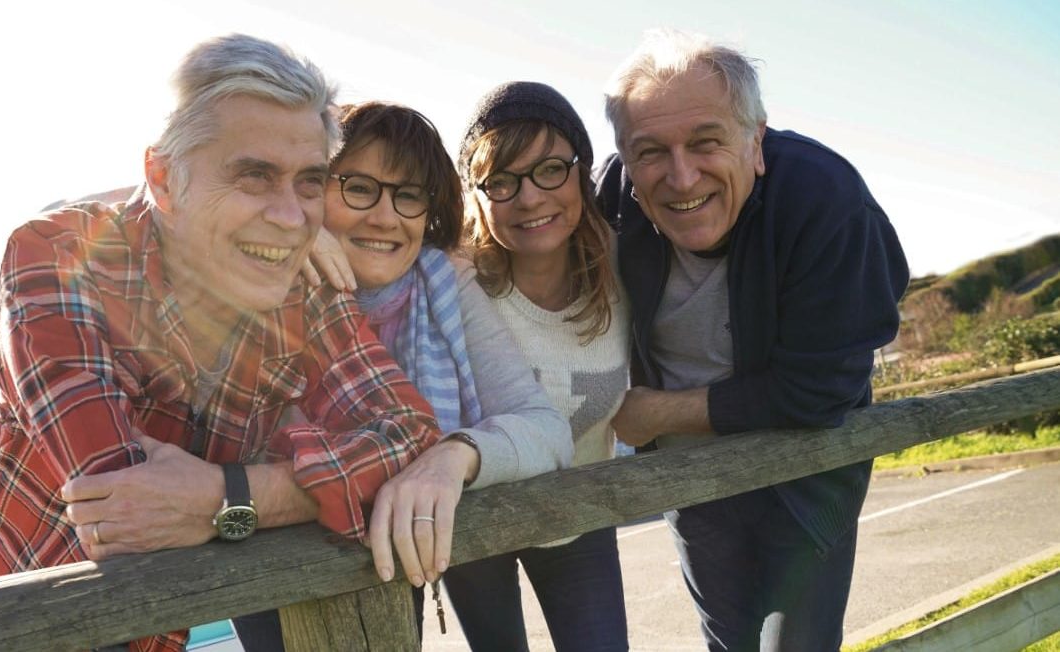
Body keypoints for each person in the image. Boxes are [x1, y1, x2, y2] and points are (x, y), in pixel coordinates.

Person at [0, 34, 442, 652]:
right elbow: (121, 502)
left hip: (157, 617)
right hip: (11, 564)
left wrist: (231, 496)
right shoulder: (57, 253)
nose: (291, 218)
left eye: (309, 183)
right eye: (254, 177)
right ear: (164, 179)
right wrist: (312, 482)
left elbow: (408, 431)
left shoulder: (302, 284)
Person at [595, 29, 910, 651]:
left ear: (756, 141)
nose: (681, 177)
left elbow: (819, 392)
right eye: (651, 151)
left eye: (706, 142)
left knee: (797, 643)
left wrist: (655, 412)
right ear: (627, 160)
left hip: (807, 469)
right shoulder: (611, 202)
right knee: (728, 642)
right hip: (693, 480)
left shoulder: (826, 201)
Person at [234, 100, 572, 651]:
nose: (386, 217)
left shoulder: (446, 287)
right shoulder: (259, 279)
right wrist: (292, 237)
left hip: (393, 571)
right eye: (359, 187)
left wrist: (451, 456)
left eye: (409, 195)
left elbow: (545, 426)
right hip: (271, 574)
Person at [452, 81, 633, 651]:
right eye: (501, 181)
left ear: (580, 170)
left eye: (550, 169)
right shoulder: (448, 283)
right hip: (474, 527)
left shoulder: (628, 268)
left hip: (578, 514)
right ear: (476, 196)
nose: (529, 197)